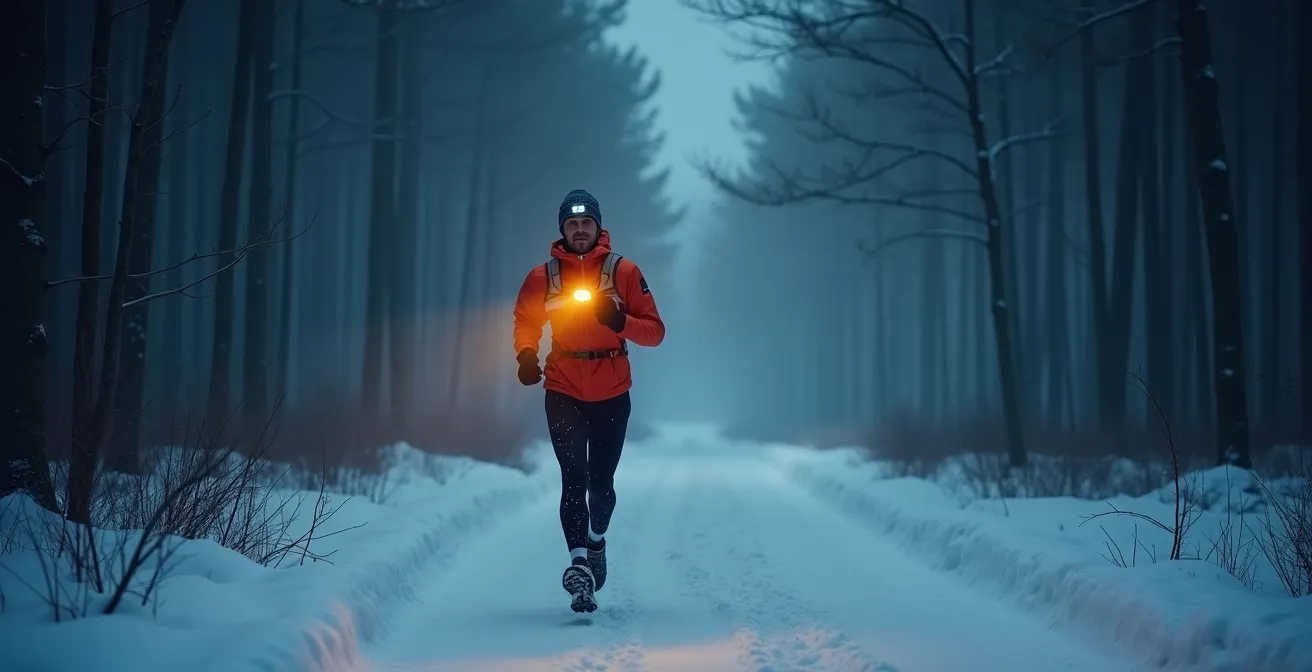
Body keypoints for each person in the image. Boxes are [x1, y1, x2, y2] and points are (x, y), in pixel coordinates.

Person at [511, 189, 666, 613]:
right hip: (563, 389)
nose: (579, 230)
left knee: (601, 485)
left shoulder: (624, 271)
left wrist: (619, 320)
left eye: (586, 223)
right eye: (572, 223)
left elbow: (655, 332)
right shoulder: (543, 276)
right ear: (562, 229)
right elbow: (526, 320)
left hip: (612, 391)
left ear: (599, 227)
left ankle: (596, 541)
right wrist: (526, 355)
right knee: (573, 478)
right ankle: (579, 564)